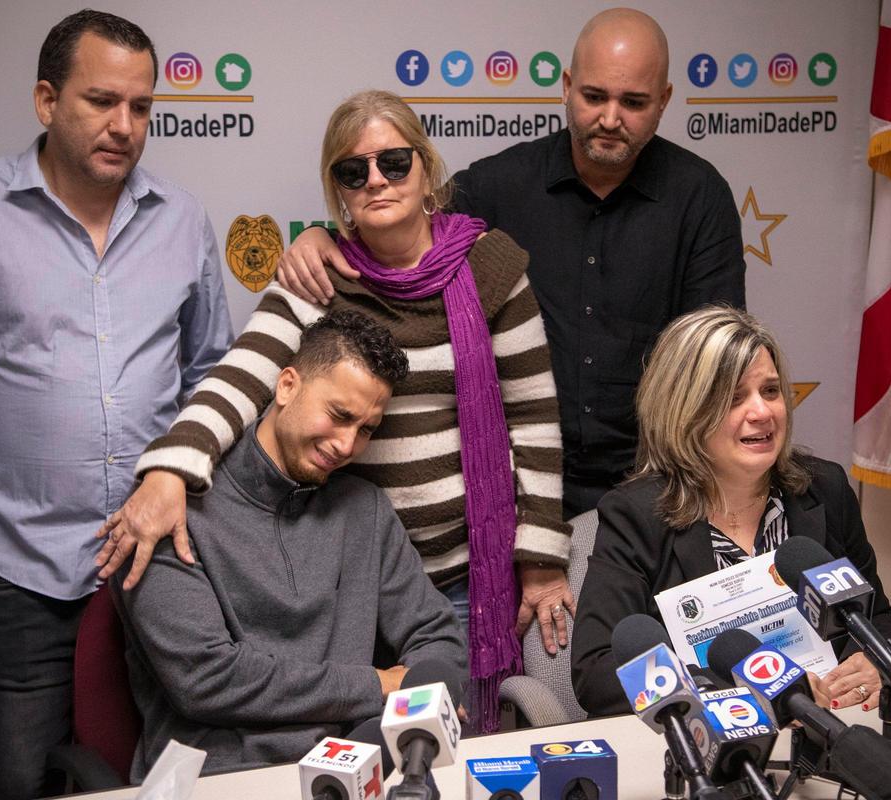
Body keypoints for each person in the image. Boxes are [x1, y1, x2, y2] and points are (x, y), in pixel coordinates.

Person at [97, 89, 571, 732]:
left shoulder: (491, 268)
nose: (376, 180)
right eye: (354, 171)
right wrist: (168, 472)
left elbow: (534, 419)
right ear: (338, 191)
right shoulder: (320, 277)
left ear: (427, 168)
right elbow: (239, 379)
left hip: (464, 576)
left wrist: (540, 564)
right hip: (350, 577)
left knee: (452, 740)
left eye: (395, 163)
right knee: (348, 729)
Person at [0, 10, 232, 798]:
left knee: (170, 774)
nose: (124, 126)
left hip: (164, 558)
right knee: (21, 778)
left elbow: (213, 373)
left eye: (142, 107)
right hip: (23, 569)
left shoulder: (183, 220)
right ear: (48, 100)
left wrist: (179, 481)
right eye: (101, 101)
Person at [275, 8, 745, 517]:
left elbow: (715, 361)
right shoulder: (498, 185)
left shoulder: (700, 197)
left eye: (633, 102)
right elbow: (400, 222)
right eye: (593, 96)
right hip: (520, 486)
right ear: (566, 87)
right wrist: (327, 236)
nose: (610, 119)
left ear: (665, 101)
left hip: (657, 485)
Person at [114, 311, 465, 777]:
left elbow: (436, 634)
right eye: (339, 416)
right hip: (223, 776)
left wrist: (423, 693)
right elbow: (205, 680)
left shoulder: (365, 509)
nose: (346, 444)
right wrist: (377, 686)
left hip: (355, 763)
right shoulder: (170, 511)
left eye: (366, 429)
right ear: (286, 386)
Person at [570, 307, 891, 716]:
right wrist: (751, 685)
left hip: (833, 730)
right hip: (720, 746)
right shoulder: (636, 515)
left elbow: (877, 617)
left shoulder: (824, 490)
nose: (762, 412)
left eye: (770, 391)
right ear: (685, 412)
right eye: (735, 398)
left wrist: (880, 660)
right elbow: (598, 673)